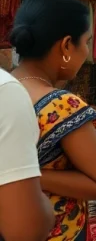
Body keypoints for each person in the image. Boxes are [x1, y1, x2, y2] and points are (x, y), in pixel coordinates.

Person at [9, 0, 96, 241]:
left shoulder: (5, 88)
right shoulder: (61, 106)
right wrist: (31, 178)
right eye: (86, 41)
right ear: (67, 45)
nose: (87, 50)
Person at [0, 67, 55, 241]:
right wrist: (42, 202)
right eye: (85, 42)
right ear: (66, 46)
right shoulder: (6, 92)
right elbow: (25, 231)